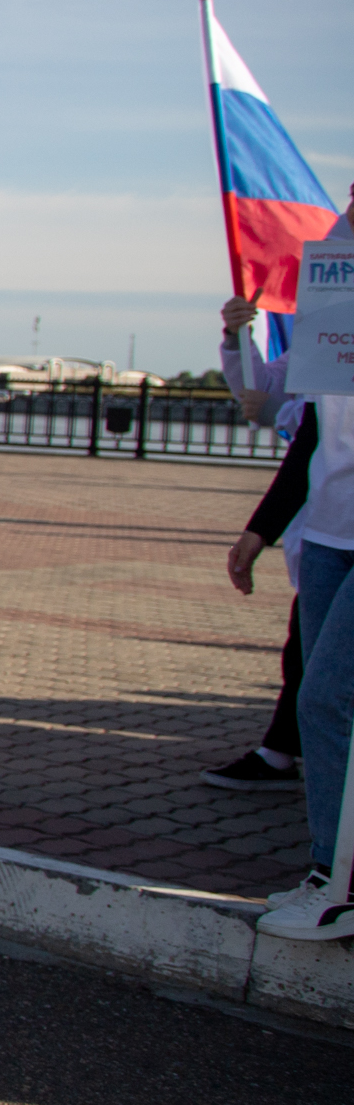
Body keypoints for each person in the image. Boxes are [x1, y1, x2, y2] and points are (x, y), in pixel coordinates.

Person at [221, 291, 354, 940]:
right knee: (317, 697)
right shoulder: (333, 313)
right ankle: (329, 874)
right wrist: (259, 531)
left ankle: (342, 884)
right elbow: (304, 431)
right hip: (330, 533)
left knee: (328, 699)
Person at [213, 401, 313, 791]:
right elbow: (307, 446)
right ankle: (327, 842)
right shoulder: (327, 354)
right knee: (312, 667)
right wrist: (260, 531)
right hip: (328, 539)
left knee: (326, 683)